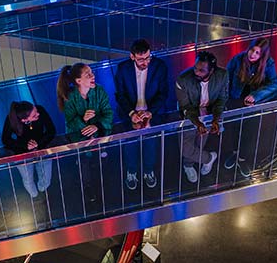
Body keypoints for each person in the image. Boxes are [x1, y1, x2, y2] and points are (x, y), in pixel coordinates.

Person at [114, 39, 169, 191]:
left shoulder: (159, 66)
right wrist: (131, 113)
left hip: (152, 112)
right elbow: (120, 95)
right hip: (129, 113)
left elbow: (163, 93)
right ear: (132, 57)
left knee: (150, 144)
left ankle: (148, 171)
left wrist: (150, 112)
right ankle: (131, 172)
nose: (145, 62)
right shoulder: (123, 69)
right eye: (141, 59)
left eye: (147, 57)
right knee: (130, 145)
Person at [57, 63, 113, 201]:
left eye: (92, 73)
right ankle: (87, 187)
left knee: (101, 162)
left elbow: (109, 114)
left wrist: (97, 126)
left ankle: (103, 185)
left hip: (99, 137)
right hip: (80, 141)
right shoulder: (70, 98)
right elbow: (69, 125)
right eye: (88, 75)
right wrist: (83, 119)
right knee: (84, 164)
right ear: (78, 81)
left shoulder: (99, 91)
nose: (93, 76)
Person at [224, 38, 277, 174]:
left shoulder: (268, 64)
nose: (253, 54)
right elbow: (225, 80)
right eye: (252, 50)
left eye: (257, 53)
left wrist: (256, 95)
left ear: (262, 55)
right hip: (235, 100)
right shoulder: (237, 60)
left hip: (253, 105)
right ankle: (234, 153)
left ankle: (242, 159)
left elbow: (274, 83)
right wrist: (225, 102)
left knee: (250, 132)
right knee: (235, 130)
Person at [175, 51, 228, 182]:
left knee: (200, 143)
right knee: (185, 148)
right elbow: (185, 106)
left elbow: (222, 99)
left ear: (211, 71)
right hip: (188, 115)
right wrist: (197, 123)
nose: (196, 72)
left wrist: (215, 119)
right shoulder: (183, 80)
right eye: (195, 68)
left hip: (207, 114)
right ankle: (209, 158)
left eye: (201, 70)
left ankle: (188, 165)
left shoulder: (222, 75)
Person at [2, 101, 56, 198]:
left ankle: (43, 190)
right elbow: (6, 140)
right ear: (24, 120)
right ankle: (34, 196)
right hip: (21, 152)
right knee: (27, 178)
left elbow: (51, 130)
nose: (38, 113)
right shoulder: (12, 119)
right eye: (34, 115)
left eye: (36, 110)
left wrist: (38, 144)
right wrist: (25, 146)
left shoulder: (40, 109)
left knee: (46, 176)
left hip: (42, 148)